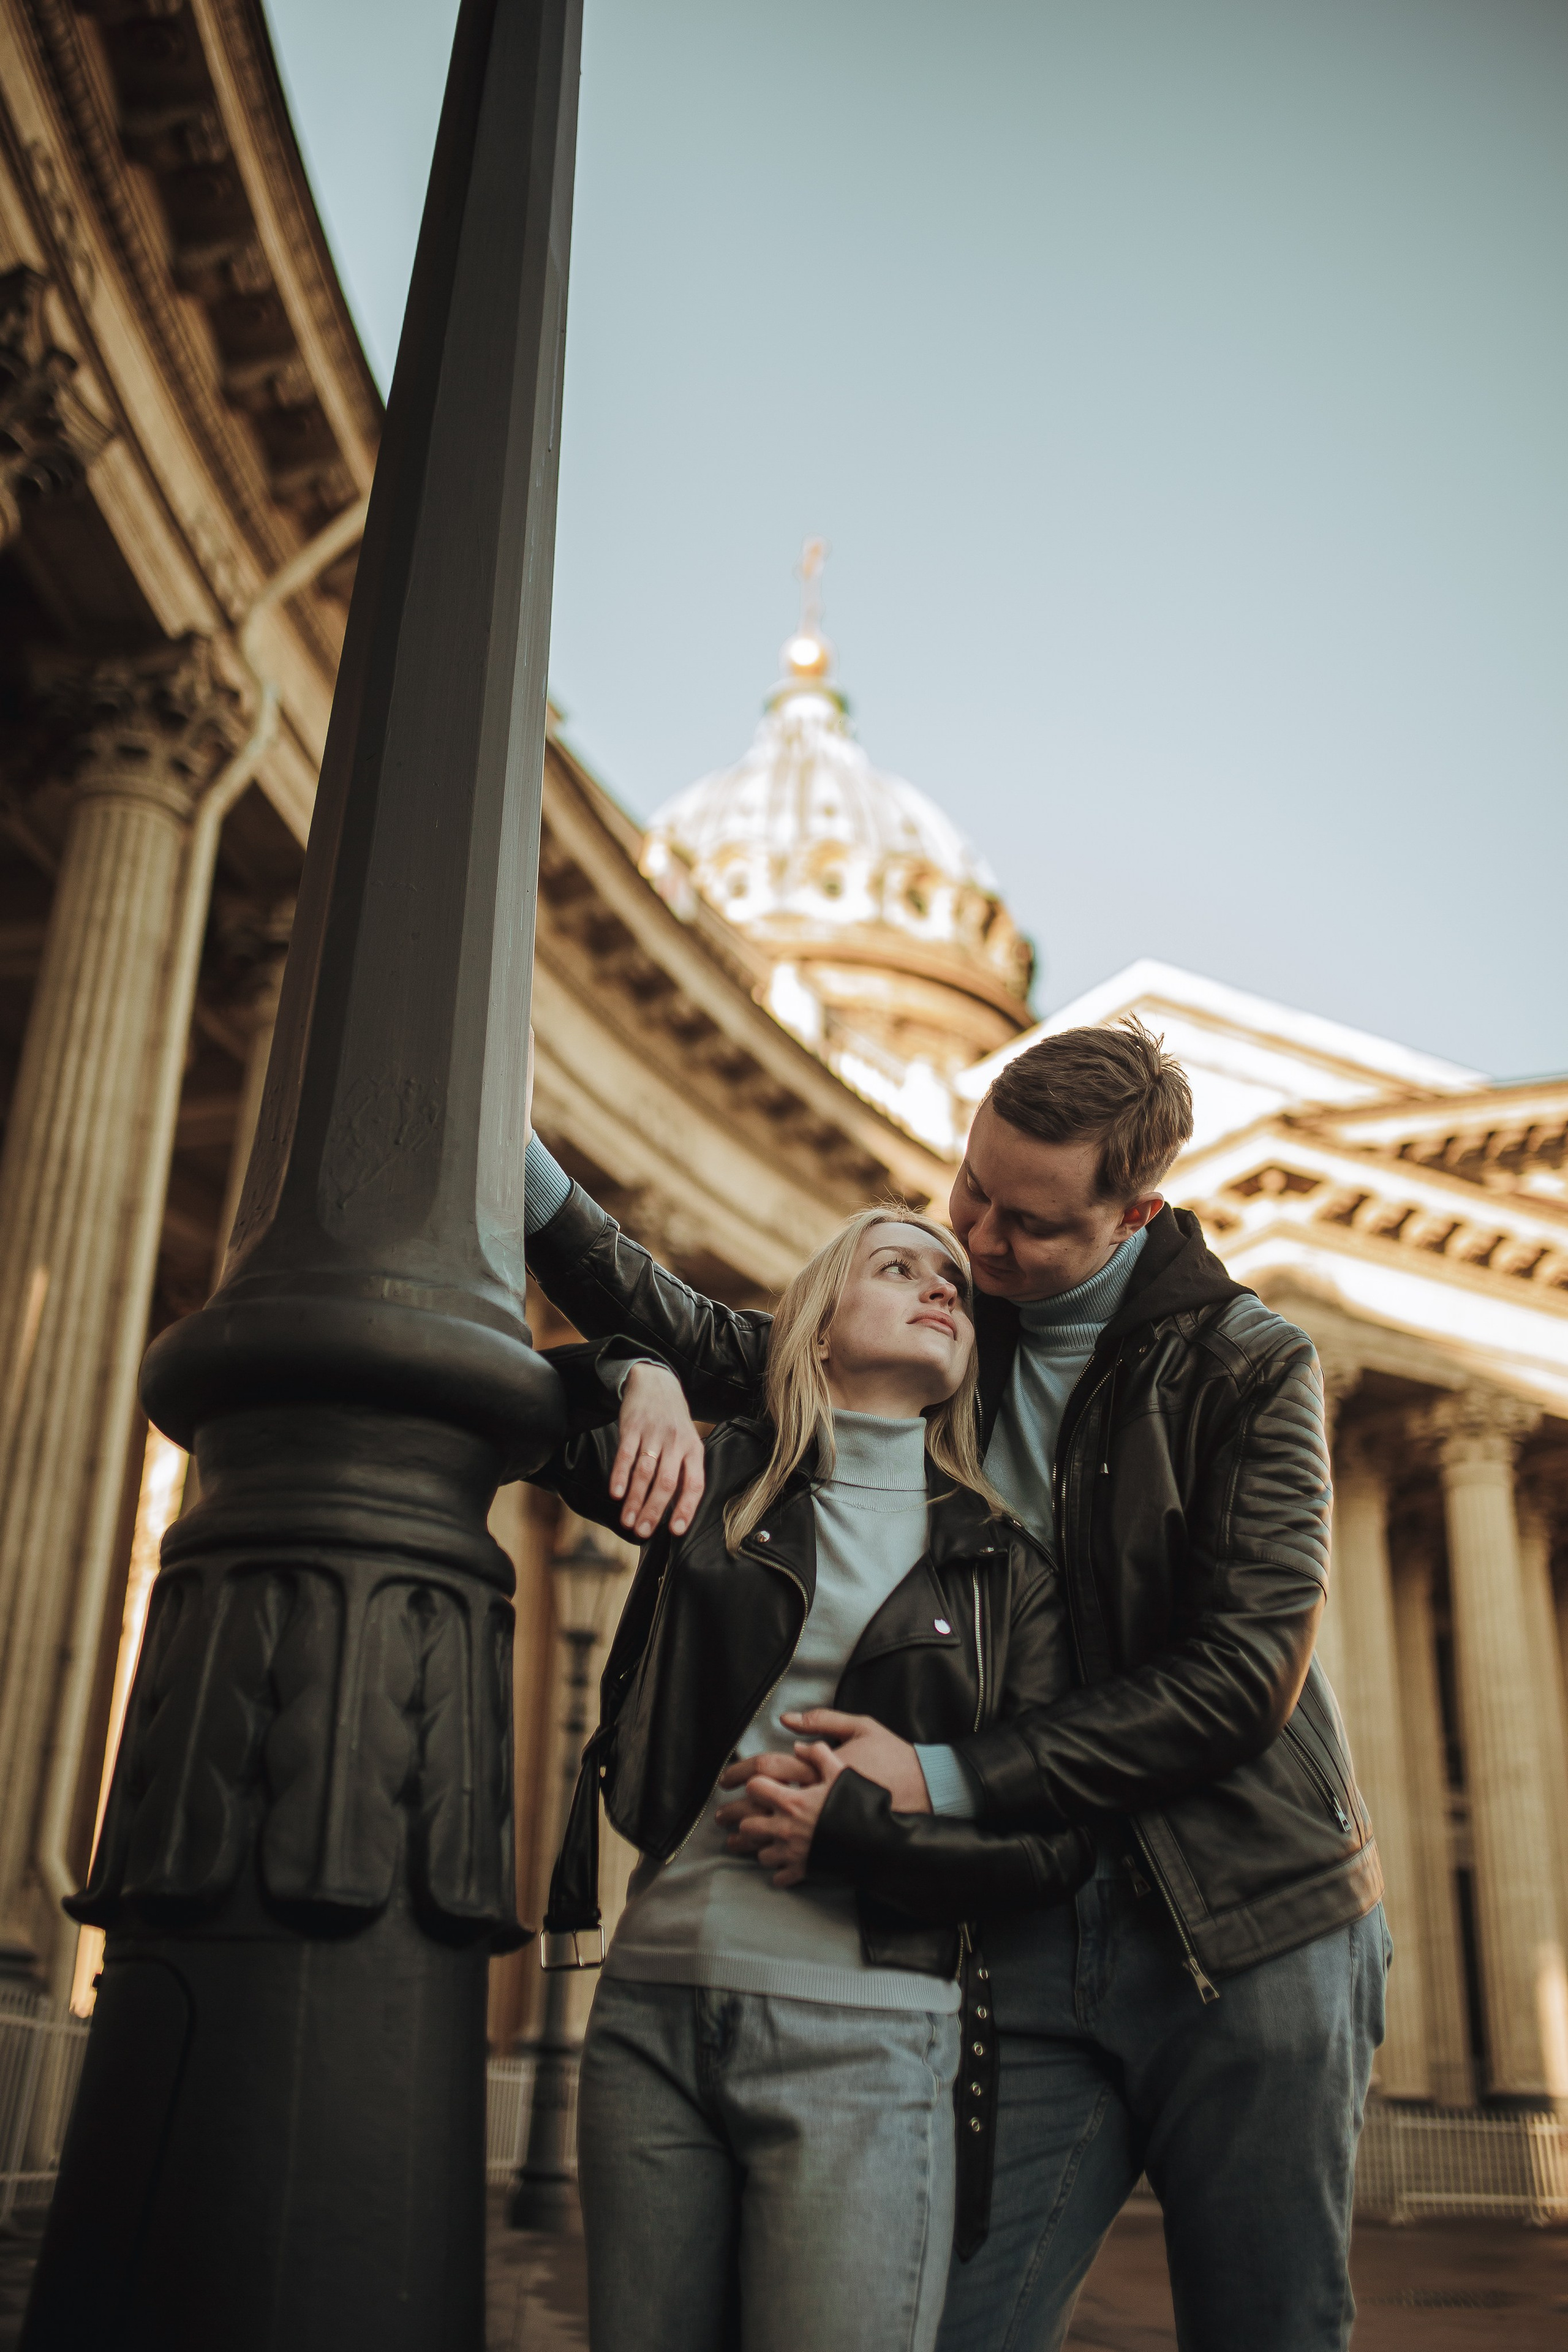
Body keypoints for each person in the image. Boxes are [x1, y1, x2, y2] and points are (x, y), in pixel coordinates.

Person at [522, 1017, 1389, 2352]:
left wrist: (934, 1778)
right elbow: (708, 1336)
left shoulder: (1247, 1362)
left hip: (1244, 1922)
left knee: (1268, 2327)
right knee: (945, 2323)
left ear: (1131, 1214)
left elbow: (1236, 1676)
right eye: (968, 1188)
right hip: (1020, 1919)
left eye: (1027, 1225)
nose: (979, 1242)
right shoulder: (947, 1321)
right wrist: (537, 1210)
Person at [531, 1207, 1095, 2352]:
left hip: (871, 2037)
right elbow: (492, 1401)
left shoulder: (1006, 1564)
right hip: (651, 2015)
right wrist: (632, 1373)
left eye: (953, 1283)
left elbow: (1056, 1847)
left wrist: (866, 1836)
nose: (941, 1287)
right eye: (898, 1268)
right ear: (818, 1325)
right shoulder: (718, 1475)